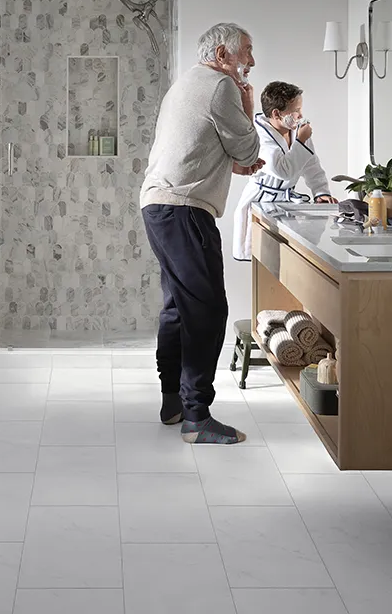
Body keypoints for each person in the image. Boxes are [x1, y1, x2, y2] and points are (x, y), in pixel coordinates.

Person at [141, 23, 264, 445]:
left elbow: (197, 150)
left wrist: (234, 160)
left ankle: (173, 400)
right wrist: (248, 108)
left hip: (159, 206)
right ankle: (197, 417)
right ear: (221, 54)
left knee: (178, 306)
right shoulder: (221, 87)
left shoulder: (185, 85)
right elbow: (248, 151)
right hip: (186, 212)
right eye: (245, 51)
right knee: (208, 311)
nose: (251, 61)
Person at [232, 81, 336, 261]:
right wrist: (302, 142)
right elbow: (283, 171)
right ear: (276, 113)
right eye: (296, 110)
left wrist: (321, 192)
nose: (301, 115)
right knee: (265, 261)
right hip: (261, 202)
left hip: (286, 205)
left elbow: (311, 165)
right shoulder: (258, 135)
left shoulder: (296, 130)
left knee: (292, 259)